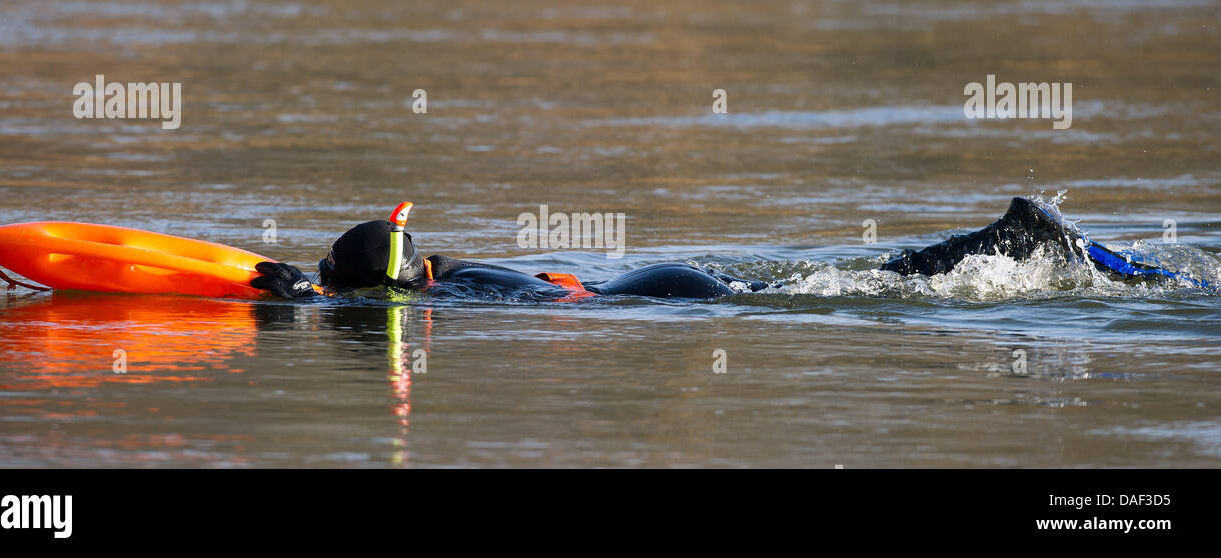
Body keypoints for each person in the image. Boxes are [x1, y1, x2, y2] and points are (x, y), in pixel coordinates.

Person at [249, 198, 1199, 301]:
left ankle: (1015, 239)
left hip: (650, 294)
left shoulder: (440, 294)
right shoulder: (440, 274)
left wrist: (295, 297)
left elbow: (548, 296)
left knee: (842, 287)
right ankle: (1010, 240)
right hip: (655, 286)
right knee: (859, 279)